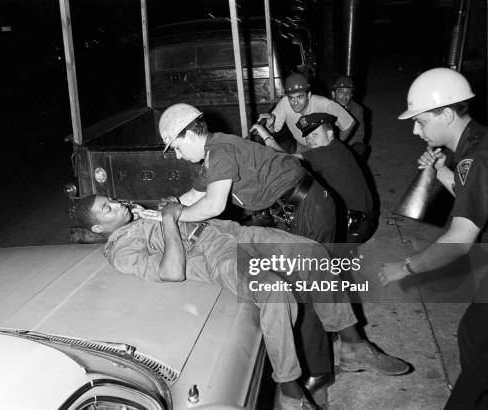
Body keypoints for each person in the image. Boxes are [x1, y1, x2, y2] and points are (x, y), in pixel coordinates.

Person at [155, 103, 409, 404]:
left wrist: (175, 215)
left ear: (189, 134)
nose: (178, 156)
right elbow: (193, 197)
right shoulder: (211, 158)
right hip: (299, 207)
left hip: (307, 207)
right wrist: (157, 214)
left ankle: (319, 375)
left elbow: (212, 205)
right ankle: (349, 349)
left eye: (177, 147)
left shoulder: (219, 151)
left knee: (302, 290)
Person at [74, 194, 407, 409]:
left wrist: (171, 206)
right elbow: (172, 271)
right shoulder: (120, 251)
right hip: (213, 254)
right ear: (97, 227)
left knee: (314, 254)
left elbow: (177, 214)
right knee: (275, 293)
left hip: (228, 231)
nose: (117, 204)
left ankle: (353, 345)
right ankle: (289, 388)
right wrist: (171, 220)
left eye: (111, 200)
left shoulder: (135, 214)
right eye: (108, 208)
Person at [379, 67, 488, 410]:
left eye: (421, 121)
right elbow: (474, 196)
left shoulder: (477, 156)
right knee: (476, 338)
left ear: (445, 113)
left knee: (477, 341)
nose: (415, 129)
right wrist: (441, 171)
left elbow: (460, 239)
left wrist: (407, 267)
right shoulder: (475, 141)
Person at [253, 113, 375, 246]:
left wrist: (265, 135)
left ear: (329, 134)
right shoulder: (335, 147)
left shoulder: (327, 154)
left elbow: (282, 158)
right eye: (308, 137)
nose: (310, 140)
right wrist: (272, 131)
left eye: (315, 135)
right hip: (359, 219)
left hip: (351, 228)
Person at [256, 72, 356, 153]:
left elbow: (349, 124)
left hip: (322, 150)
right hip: (302, 146)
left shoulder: (324, 104)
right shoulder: (285, 103)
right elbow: (273, 130)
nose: (295, 102)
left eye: (299, 97)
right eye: (291, 98)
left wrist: (335, 147)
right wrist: (270, 124)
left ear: (308, 95)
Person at [331, 75, 370, 160]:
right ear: (333, 94)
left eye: (348, 92)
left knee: (360, 148)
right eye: (341, 92)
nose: (345, 96)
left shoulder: (357, 110)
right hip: (327, 146)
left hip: (346, 146)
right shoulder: (325, 107)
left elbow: (359, 136)